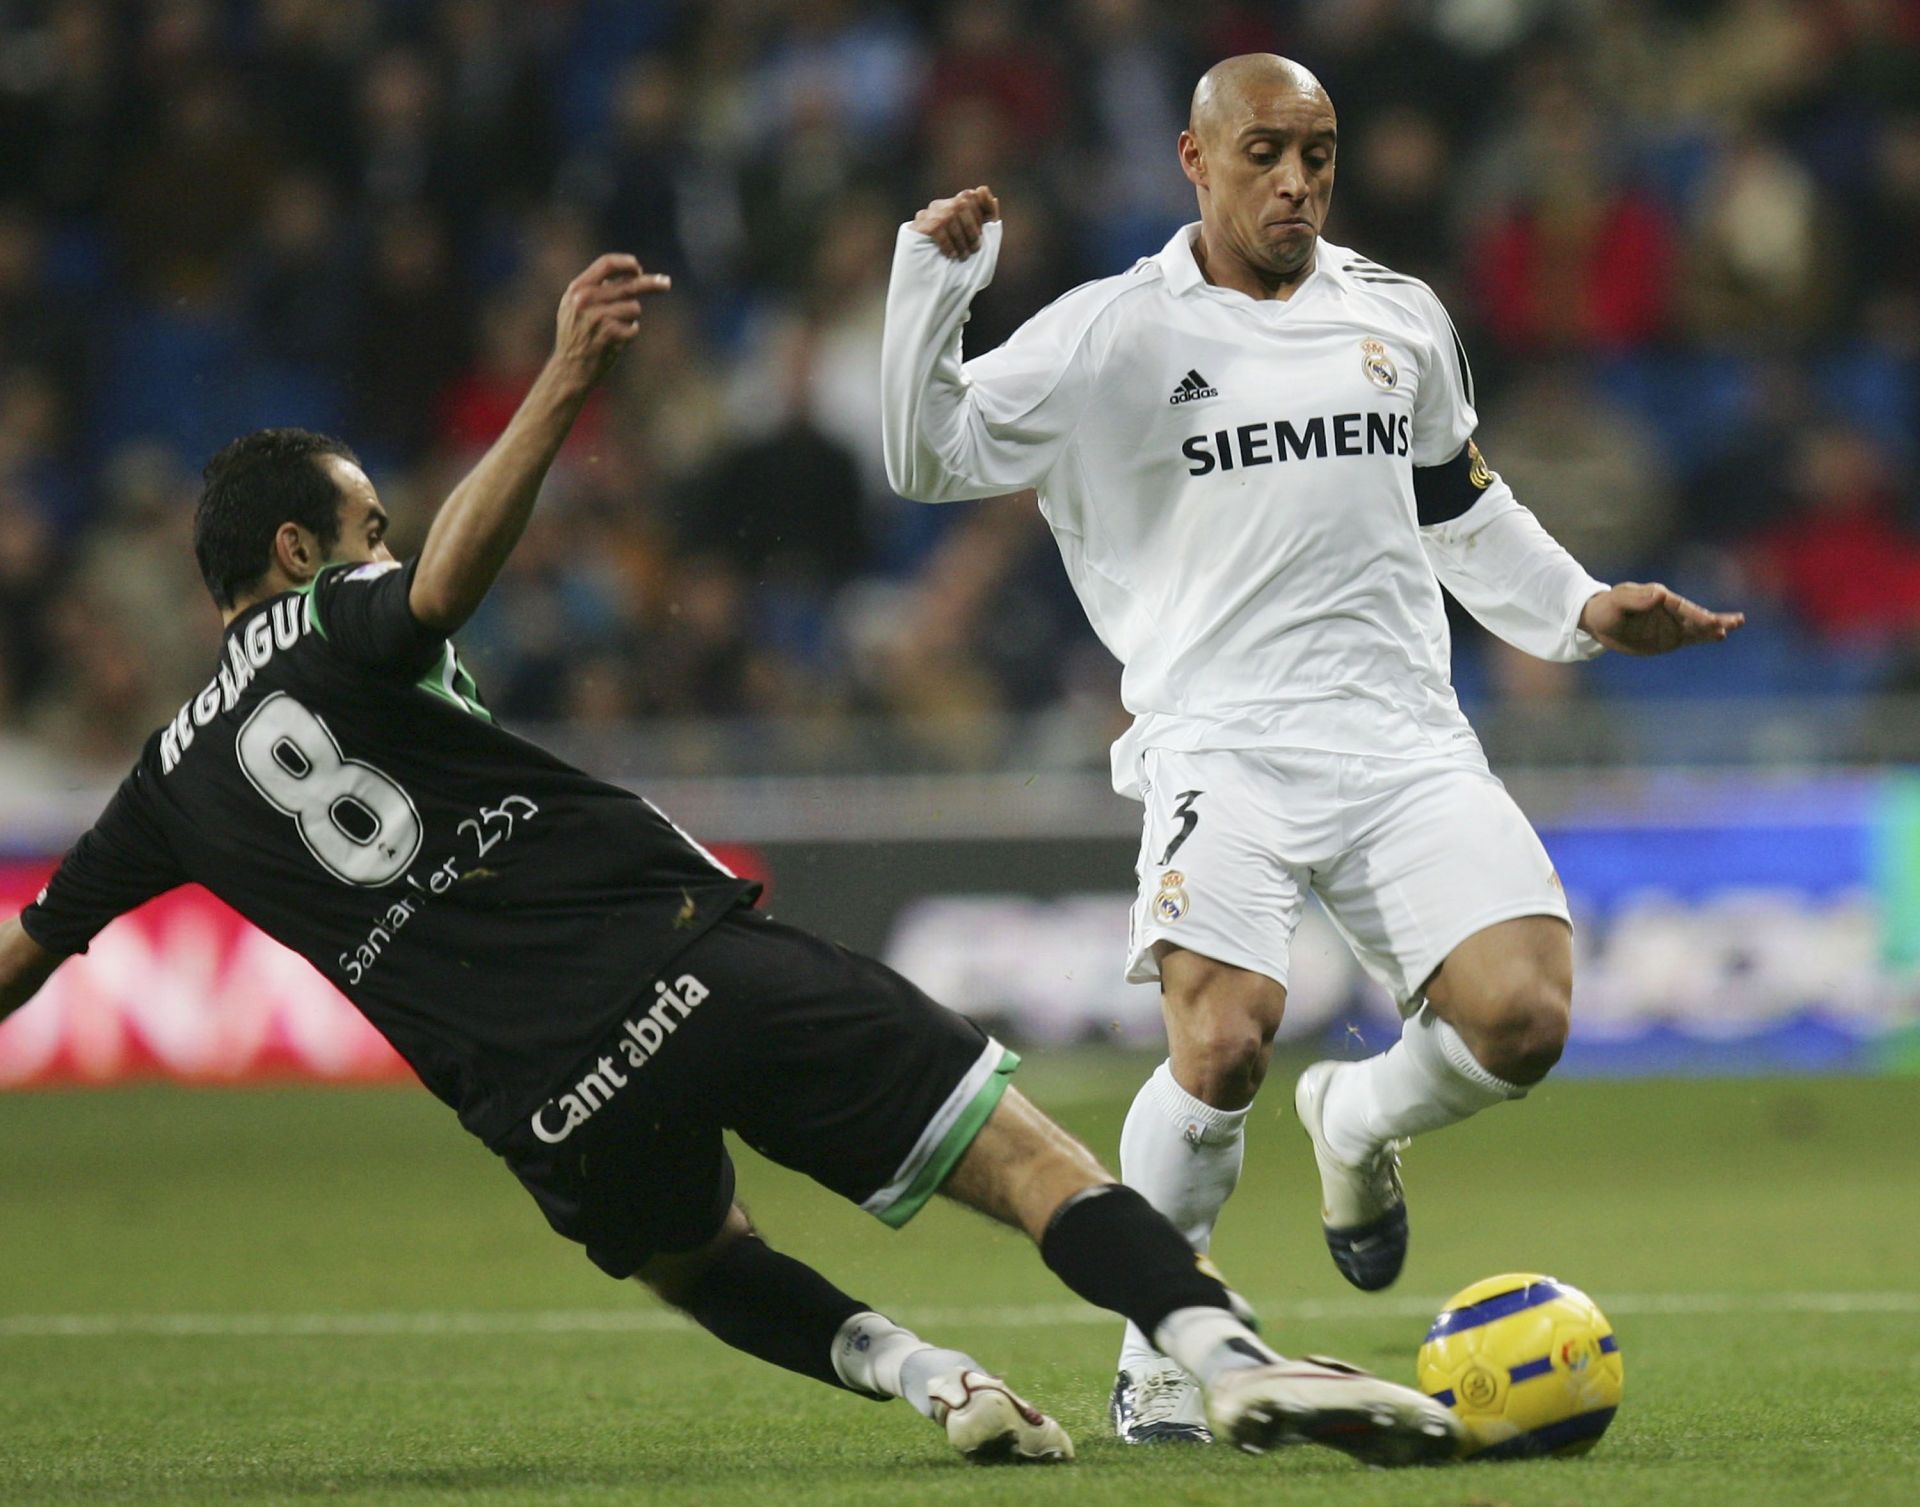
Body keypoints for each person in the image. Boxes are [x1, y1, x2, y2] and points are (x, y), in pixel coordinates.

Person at [0, 253, 1462, 1470]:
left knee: (693, 1259)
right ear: (299, 550)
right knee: (1027, 1162)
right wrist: (564, 380)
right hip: (679, 961)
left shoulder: (164, 786)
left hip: (541, 1098)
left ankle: (923, 1377)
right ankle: (1226, 1353)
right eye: (365, 526)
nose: (384, 544)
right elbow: (438, 593)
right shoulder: (335, 619)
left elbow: (25, 957)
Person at [880, 54, 1742, 1446]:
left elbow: (1462, 508)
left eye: (1320, 156)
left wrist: (1581, 609)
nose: (1298, 182)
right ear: (1194, 160)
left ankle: (1352, 1124)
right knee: (1218, 1048)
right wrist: (935, 290)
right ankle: (1166, 1340)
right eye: (1267, 153)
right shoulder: (1110, 335)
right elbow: (927, 457)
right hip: (1219, 739)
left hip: (1404, 734)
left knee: (1525, 1021)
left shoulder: (1397, 317)